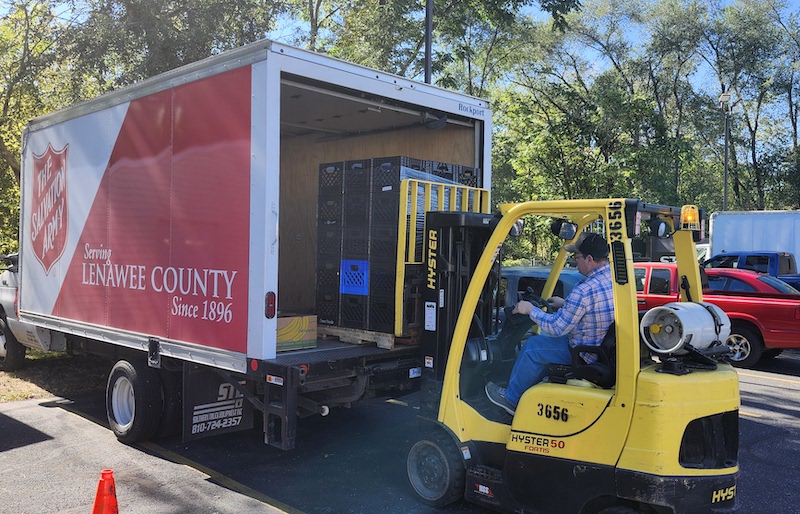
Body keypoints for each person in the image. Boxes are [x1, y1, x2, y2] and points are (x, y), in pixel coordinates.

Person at [485, 232, 615, 415]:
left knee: (532, 346)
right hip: (599, 347)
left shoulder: (584, 290)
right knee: (539, 343)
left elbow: (556, 328)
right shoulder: (612, 279)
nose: (574, 261)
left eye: (576, 257)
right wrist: (564, 304)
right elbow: (592, 310)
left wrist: (530, 309)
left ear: (590, 258)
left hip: (583, 353)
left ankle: (511, 399)